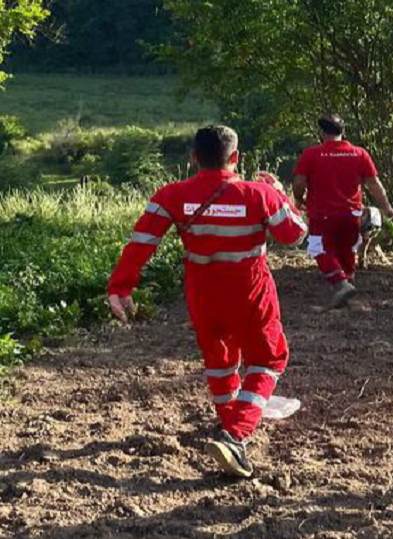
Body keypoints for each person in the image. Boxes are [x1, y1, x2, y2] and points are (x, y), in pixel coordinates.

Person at [106, 125, 307, 478]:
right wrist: (281, 194)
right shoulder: (259, 193)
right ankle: (235, 434)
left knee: (219, 361)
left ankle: (226, 423)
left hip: (202, 292)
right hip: (250, 291)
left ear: (193, 157)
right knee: (267, 360)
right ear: (236, 158)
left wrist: (120, 286)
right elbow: (294, 235)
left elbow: (141, 242)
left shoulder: (171, 195)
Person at [293, 114, 393, 307]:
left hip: (322, 213)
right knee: (348, 250)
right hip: (352, 213)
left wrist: (299, 198)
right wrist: (387, 207)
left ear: (322, 132)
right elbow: (374, 184)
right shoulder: (359, 154)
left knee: (319, 248)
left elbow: (299, 182)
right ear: (343, 132)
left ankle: (341, 285)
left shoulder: (311, 154)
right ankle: (346, 290)